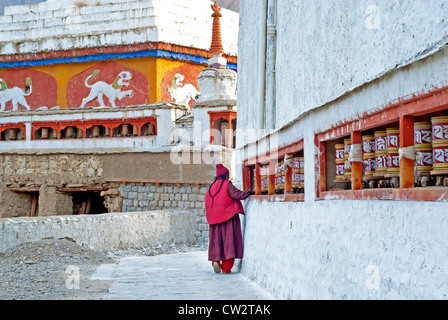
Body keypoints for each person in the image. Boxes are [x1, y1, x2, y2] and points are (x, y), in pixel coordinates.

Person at [205, 164, 252, 274]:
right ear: (225, 175)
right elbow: (237, 194)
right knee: (228, 242)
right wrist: (249, 192)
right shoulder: (227, 184)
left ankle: (215, 261)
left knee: (216, 242)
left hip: (214, 220)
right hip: (228, 218)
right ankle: (226, 268)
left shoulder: (211, 187)